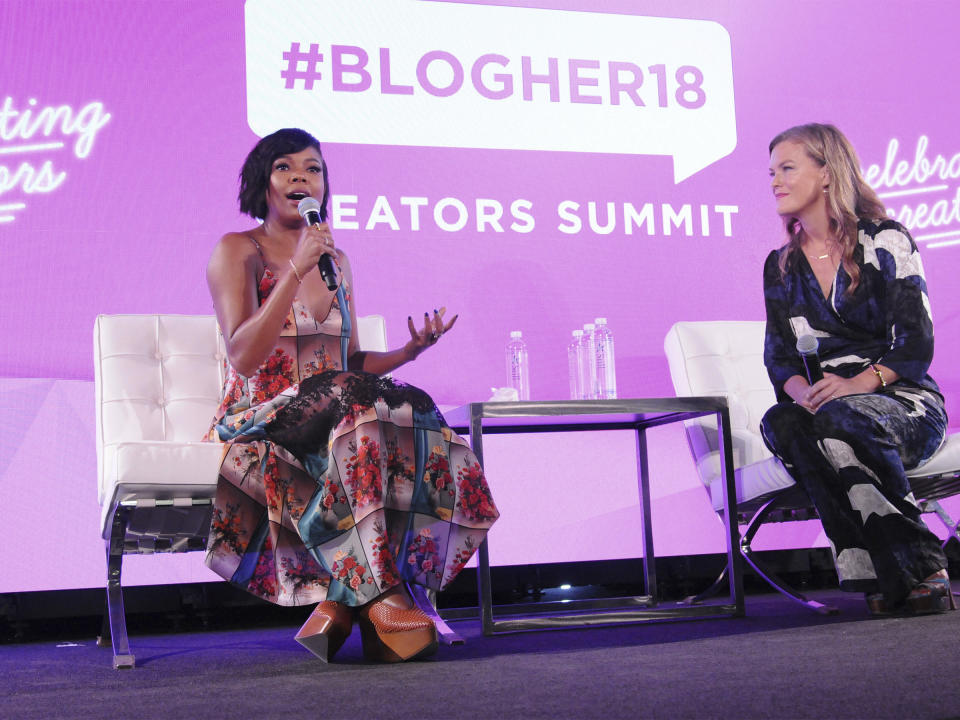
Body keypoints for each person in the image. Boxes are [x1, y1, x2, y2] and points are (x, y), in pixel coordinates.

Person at [203, 128, 499, 662]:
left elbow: (352, 364)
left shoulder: (336, 261)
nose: (301, 177)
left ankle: (349, 602)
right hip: (263, 412)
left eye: (313, 168)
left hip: (334, 410)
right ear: (262, 182)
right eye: (285, 167)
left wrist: (409, 351)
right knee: (362, 415)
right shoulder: (237, 250)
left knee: (408, 405)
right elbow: (243, 355)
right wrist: (293, 270)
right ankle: (379, 598)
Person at [760, 123, 954, 615]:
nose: (775, 182)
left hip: (902, 401)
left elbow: (916, 343)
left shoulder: (885, 240)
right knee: (783, 421)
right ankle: (872, 562)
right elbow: (780, 357)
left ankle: (922, 565)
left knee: (843, 419)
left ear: (826, 173)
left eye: (787, 168)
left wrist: (855, 385)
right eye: (772, 172)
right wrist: (804, 392)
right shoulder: (780, 265)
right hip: (828, 405)